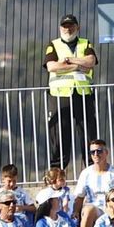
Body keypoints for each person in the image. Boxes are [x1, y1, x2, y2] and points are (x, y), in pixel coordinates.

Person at [46, 13, 99, 170]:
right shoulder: (53, 45)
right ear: (60, 28)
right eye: (65, 26)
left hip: (83, 94)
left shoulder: (85, 43)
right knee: (60, 136)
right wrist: (78, 65)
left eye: (71, 26)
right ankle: (57, 173)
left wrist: (69, 60)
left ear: (77, 27)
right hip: (60, 96)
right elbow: (52, 66)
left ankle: (92, 168)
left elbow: (91, 61)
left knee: (88, 134)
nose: (67, 29)